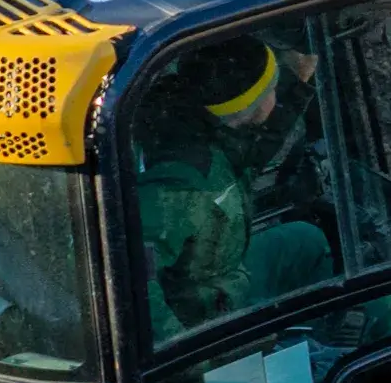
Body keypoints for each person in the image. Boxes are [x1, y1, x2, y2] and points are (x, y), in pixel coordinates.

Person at [129, 29, 340, 338]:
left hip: (222, 268)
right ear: (255, 107)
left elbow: (252, 154)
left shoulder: (203, 126)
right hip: (204, 313)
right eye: (274, 87)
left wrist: (298, 84)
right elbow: (130, 280)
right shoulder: (181, 187)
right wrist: (185, 358)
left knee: (306, 241)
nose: (277, 94)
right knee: (382, 313)